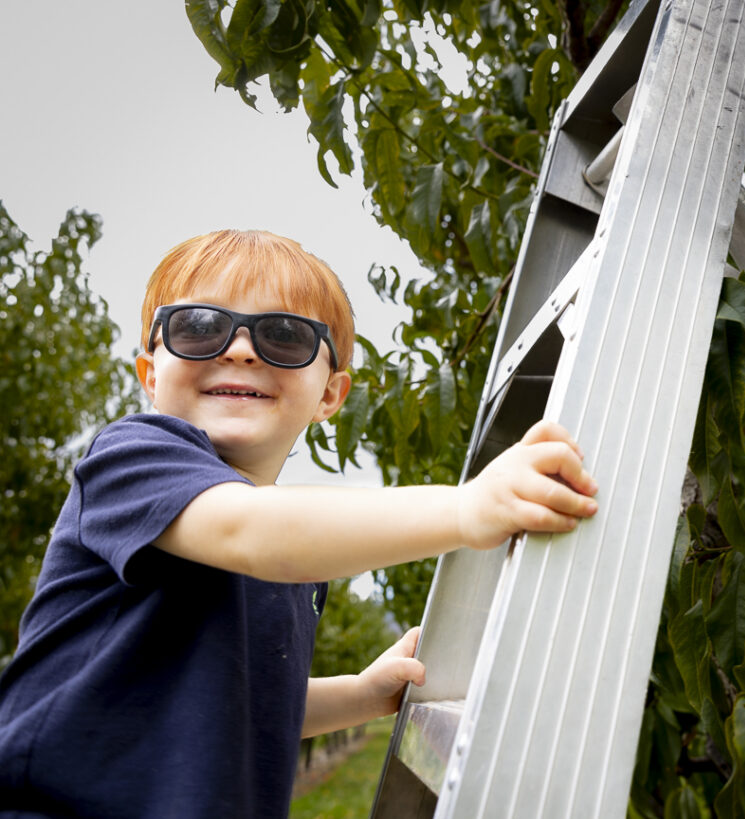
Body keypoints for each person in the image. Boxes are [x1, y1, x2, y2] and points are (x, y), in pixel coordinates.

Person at [0, 229, 598, 818]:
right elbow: (249, 530)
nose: (238, 349)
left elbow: (243, 701)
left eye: (284, 336)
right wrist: (468, 508)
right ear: (151, 374)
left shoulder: (299, 553)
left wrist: (360, 695)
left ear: (330, 395)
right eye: (197, 327)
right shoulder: (134, 458)